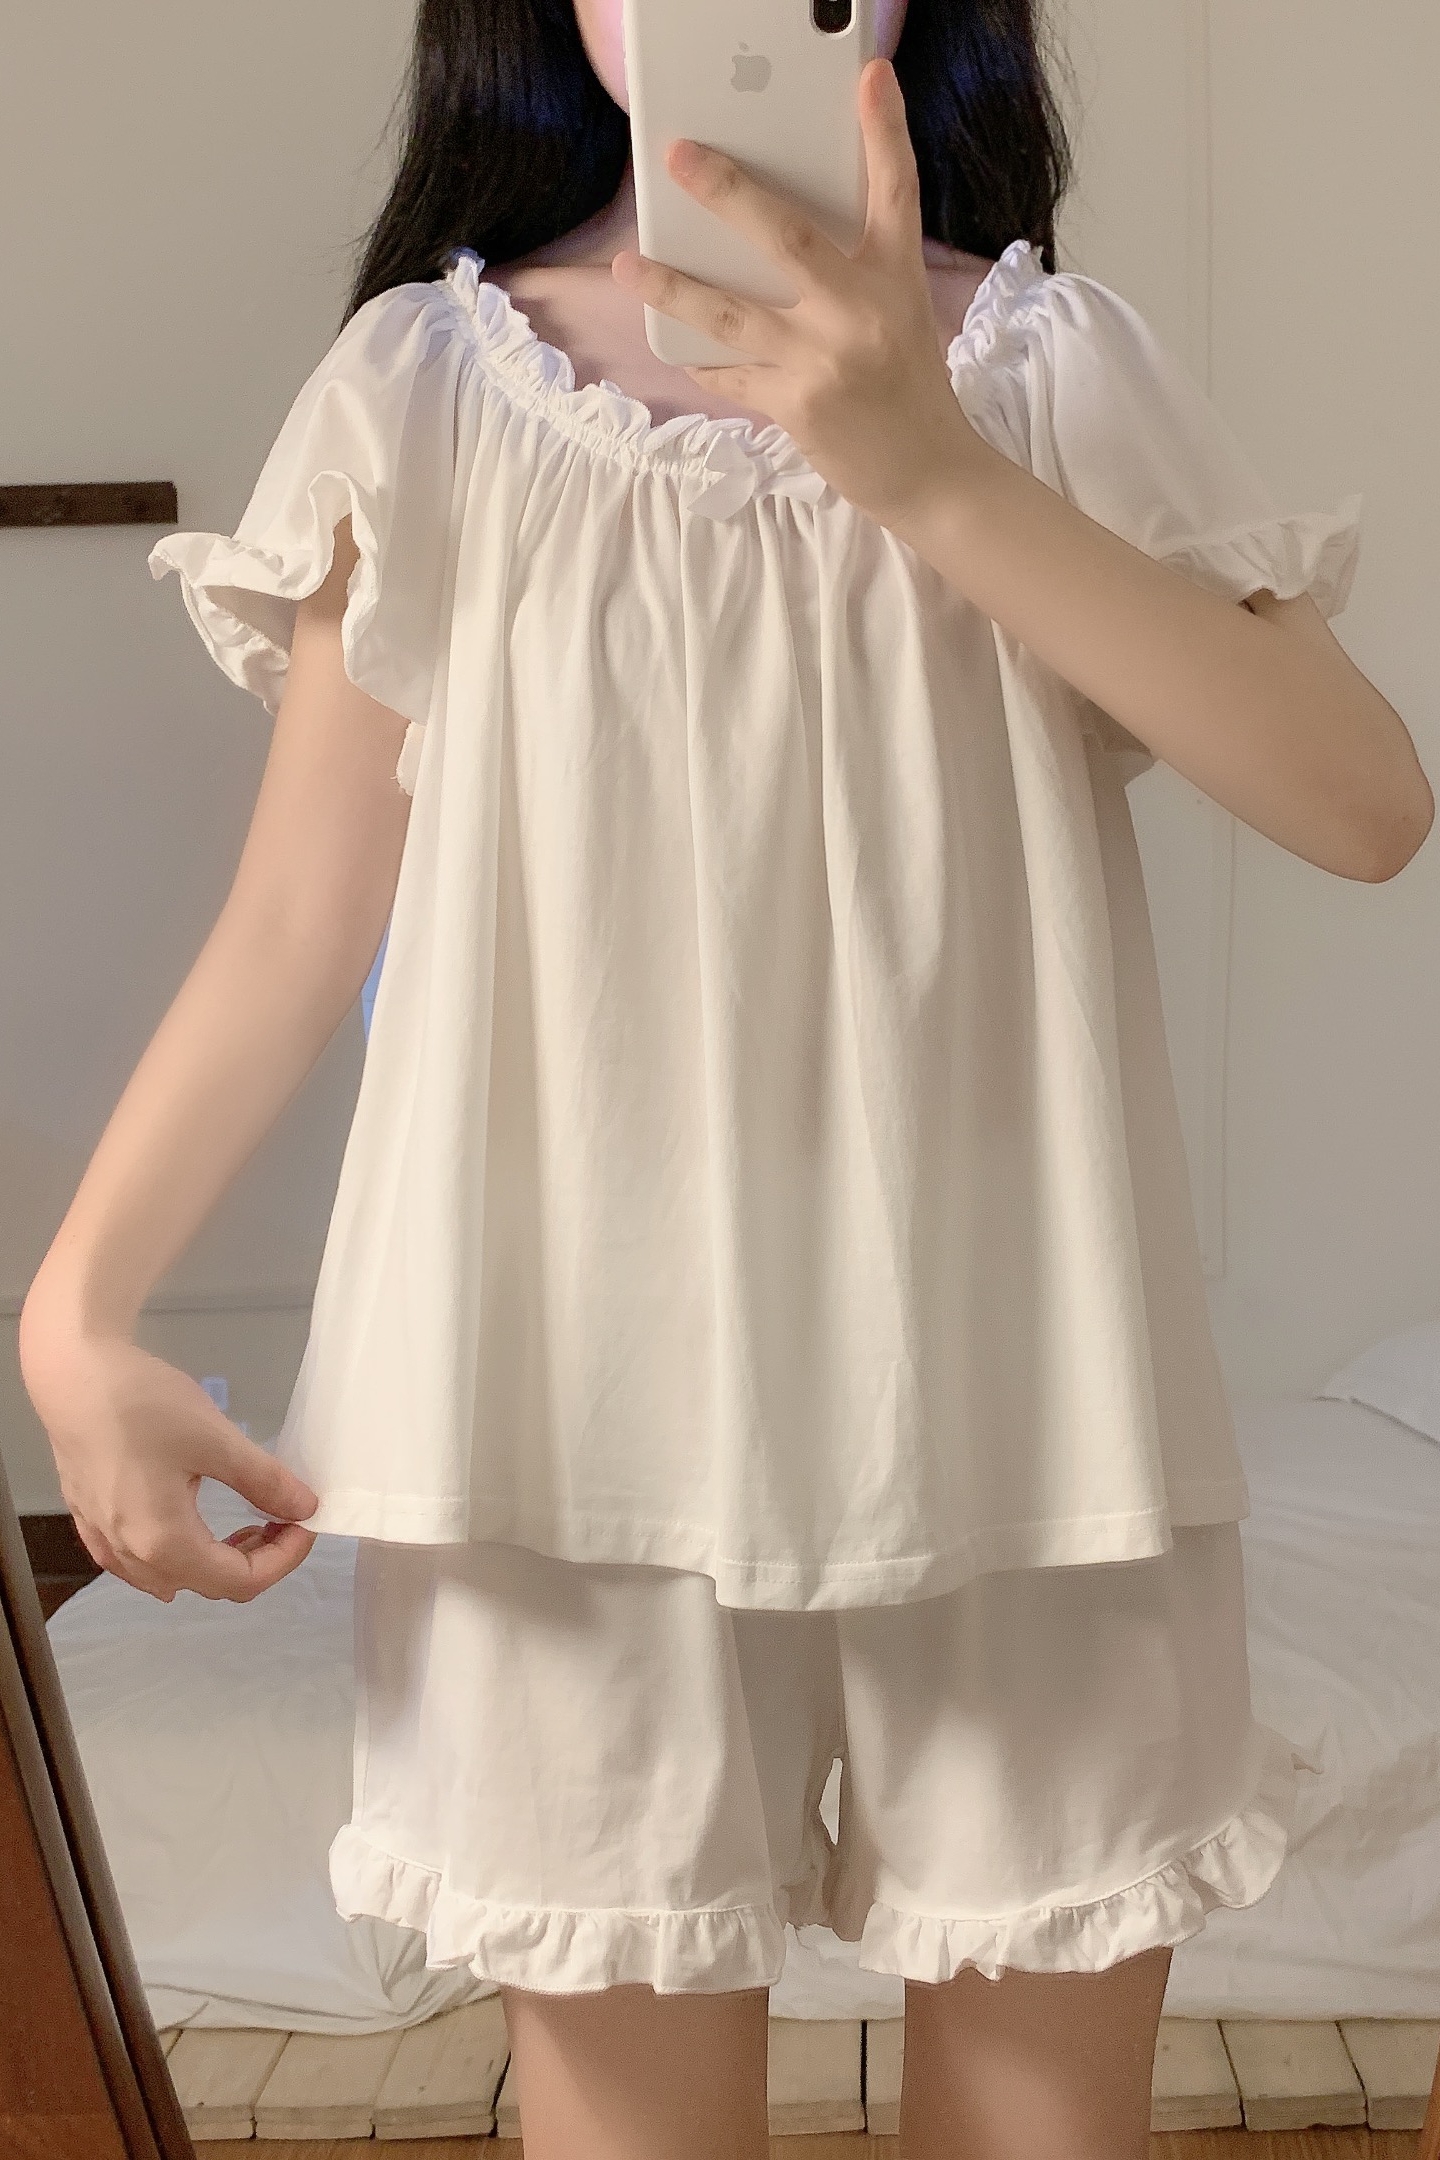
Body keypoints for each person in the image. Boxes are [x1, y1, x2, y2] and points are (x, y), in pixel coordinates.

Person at [19, 0, 1432, 2154]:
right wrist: (77, 1307)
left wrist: (930, 467)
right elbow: (297, 919)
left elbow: (1362, 802)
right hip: (554, 1417)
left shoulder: (1047, 369)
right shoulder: (430, 390)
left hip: (1029, 1390)